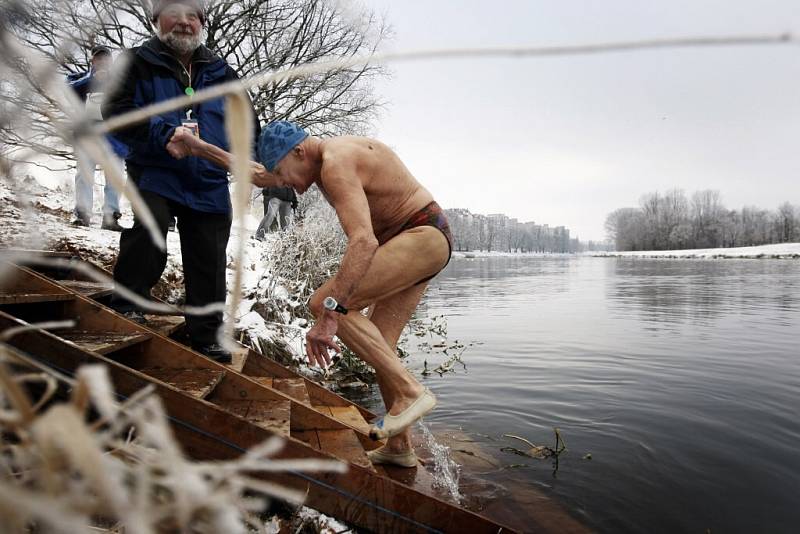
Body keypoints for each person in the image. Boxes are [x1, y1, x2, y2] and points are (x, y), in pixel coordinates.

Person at [166, 121, 453, 468]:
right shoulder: (314, 160)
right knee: (380, 346)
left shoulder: (336, 162)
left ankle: (410, 391)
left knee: (324, 302)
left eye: (284, 175)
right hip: (426, 236)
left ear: (299, 151)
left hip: (418, 232)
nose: (287, 187)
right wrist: (197, 146)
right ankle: (399, 447)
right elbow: (258, 175)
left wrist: (330, 316)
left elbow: (363, 241)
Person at [102, 0, 260, 363]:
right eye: (174, 13)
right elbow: (115, 110)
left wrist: (260, 160)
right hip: (156, 167)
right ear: (155, 19)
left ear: (202, 22)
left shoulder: (222, 72)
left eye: (193, 15)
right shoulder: (135, 63)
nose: (184, 23)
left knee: (209, 257)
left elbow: (248, 124)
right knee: (151, 226)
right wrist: (163, 134)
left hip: (208, 178)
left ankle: (205, 335)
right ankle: (127, 304)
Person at [68, 45, 127, 231]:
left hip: (114, 138)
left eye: (106, 59)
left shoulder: (121, 80)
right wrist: (92, 79)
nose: (102, 62)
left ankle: (111, 217)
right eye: (98, 58)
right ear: (92, 61)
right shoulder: (80, 78)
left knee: (115, 177)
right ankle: (82, 214)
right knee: (84, 176)